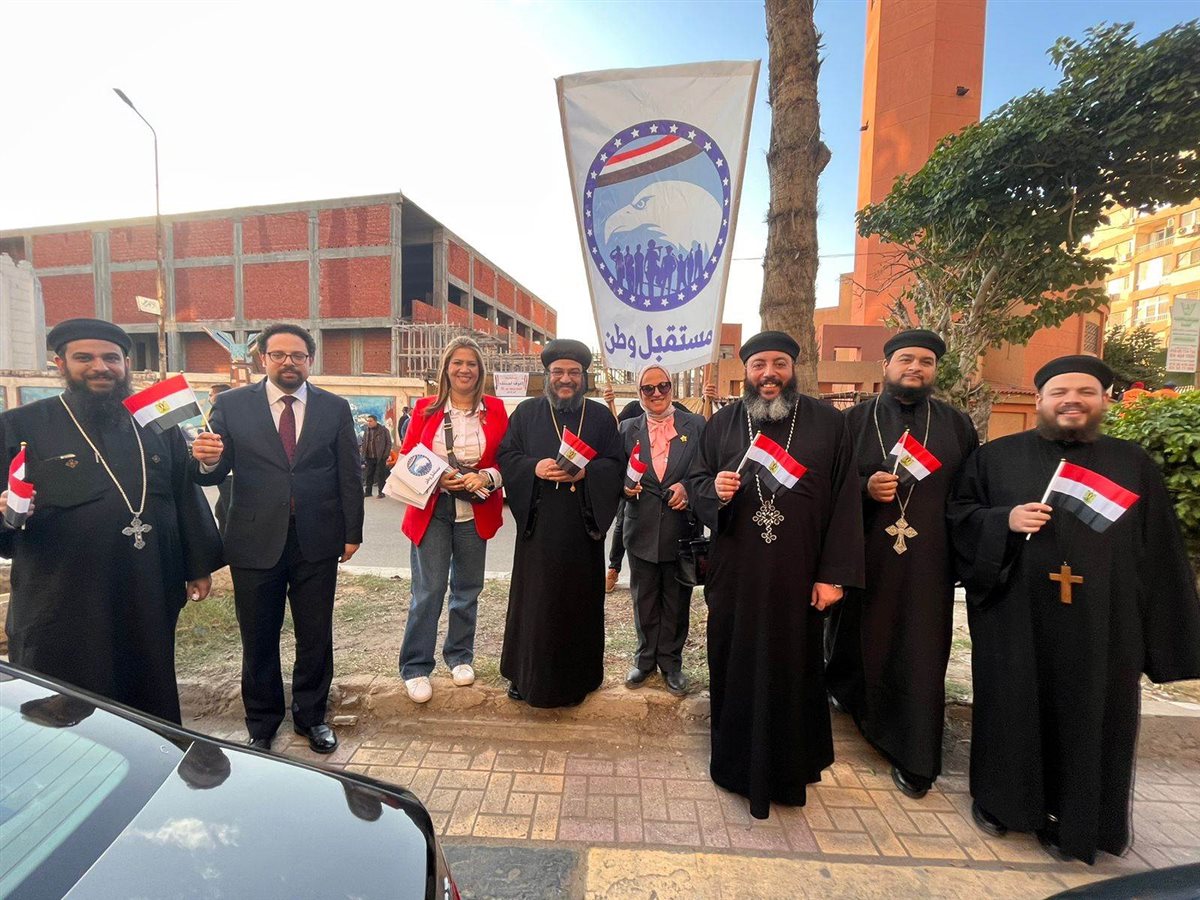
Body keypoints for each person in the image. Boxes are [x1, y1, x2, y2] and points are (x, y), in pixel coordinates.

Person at [947, 355, 1200, 864]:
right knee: (1011, 705)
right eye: (1060, 392)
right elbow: (960, 517)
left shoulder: (1132, 463)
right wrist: (1004, 520)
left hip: (1103, 622)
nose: (1072, 401)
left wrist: (1167, 639)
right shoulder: (996, 458)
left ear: (1104, 400)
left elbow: (1159, 551)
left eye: (1085, 392)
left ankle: (1078, 821)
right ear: (1040, 398)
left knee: (1093, 714)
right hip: (1016, 616)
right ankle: (1002, 804)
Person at [0, 318, 222, 723]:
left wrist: (197, 566)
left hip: (145, 583)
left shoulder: (153, 422)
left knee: (146, 683)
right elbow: (6, 510)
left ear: (125, 365)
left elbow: (182, 494)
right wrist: (7, 513)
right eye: (84, 358)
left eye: (111, 358)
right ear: (60, 364)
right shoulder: (21, 425)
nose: (100, 367)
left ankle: (152, 751)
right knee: (64, 697)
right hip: (62, 593)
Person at [687, 330, 864, 819]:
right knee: (735, 663)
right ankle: (735, 765)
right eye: (759, 365)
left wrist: (833, 575)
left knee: (795, 667)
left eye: (779, 364)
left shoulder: (829, 423)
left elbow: (846, 502)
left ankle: (789, 769)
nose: (769, 374)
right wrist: (714, 491)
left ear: (793, 369)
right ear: (745, 371)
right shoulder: (722, 424)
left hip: (799, 574)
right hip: (737, 574)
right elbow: (695, 483)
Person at [190, 323, 364, 754]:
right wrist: (206, 459)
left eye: (298, 355)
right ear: (262, 358)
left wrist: (352, 532)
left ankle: (311, 718)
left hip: (317, 539)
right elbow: (211, 471)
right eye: (279, 354)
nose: (289, 362)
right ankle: (262, 723)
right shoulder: (231, 405)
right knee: (258, 636)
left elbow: (349, 472)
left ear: (310, 360)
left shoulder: (334, 408)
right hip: (253, 539)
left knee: (315, 635)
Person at [825, 329, 978, 799]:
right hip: (864, 555)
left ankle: (913, 750)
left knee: (919, 650)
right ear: (886, 366)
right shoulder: (853, 421)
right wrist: (864, 487)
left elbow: (971, 495)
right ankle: (852, 700)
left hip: (927, 564)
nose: (916, 368)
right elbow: (828, 484)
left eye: (926, 362)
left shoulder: (956, 425)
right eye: (906, 359)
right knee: (857, 636)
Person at [498, 338, 622, 708]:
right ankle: (526, 677)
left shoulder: (600, 417)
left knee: (577, 605)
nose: (565, 379)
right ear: (547, 375)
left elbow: (616, 465)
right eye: (558, 372)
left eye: (573, 373)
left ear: (584, 377)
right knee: (535, 605)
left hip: (581, 532)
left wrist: (587, 474)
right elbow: (507, 455)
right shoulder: (526, 413)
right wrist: (533, 467)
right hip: (539, 530)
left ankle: (579, 678)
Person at [397, 337, 509, 704]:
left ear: (480, 370)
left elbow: (507, 457)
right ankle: (416, 666)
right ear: (446, 368)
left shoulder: (495, 409)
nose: (464, 369)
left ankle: (460, 656)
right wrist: (438, 478)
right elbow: (409, 457)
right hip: (432, 508)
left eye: (471, 363)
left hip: (475, 510)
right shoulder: (425, 409)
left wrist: (488, 476)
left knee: (468, 588)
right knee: (428, 590)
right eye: (457, 363)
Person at [617, 365, 706, 695]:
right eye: (648, 388)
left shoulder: (696, 425)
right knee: (643, 598)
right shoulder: (626, 429)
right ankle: (644, 659)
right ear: (639, 393)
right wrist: (624, 488)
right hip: (639, 527)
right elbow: (615, 474)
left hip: (680, 529)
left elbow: (706, 470)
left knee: (676, 600)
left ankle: (671, 663)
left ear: (671, 388)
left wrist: (688, 488)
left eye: (663, 386)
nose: (656, 393)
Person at [208, 383, 233, 534]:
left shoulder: (231, 414)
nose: (209, 399)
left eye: (211, 395)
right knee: (221, 511)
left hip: (231, 475)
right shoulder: (214, 414)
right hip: (222, 474)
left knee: (229, 513)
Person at [360, 414, 392, 499]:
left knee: (380, 475)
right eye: (368, 421)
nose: (369, 423)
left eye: (370, 421)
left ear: (375, 421)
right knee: (369, 474)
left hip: (380, 456)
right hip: (369, 456)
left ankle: (381, 492)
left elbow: (388, 443)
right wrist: (363, 453)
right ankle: (368, 492)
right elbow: (364, 442)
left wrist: (385, 454)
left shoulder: (383, 430)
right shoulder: (367, 430)